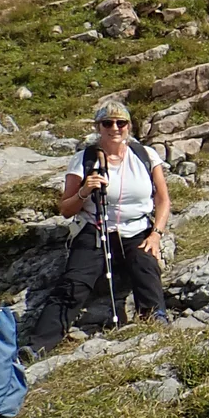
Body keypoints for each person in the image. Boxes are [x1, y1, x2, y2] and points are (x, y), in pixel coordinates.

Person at [30, 103, 170, 350]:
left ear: (128, 126)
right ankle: (38, 345)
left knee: (146, 267)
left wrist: (156, 234)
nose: (115, 128)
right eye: (107, 123)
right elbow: (66, 209)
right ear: (98, 127)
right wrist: (84, 191)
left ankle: (154, 321)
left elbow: (162, 199)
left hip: (136, 228)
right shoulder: (83, 160)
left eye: (121, 123)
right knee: (75, 283)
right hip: (94, 230)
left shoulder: (146, 155)